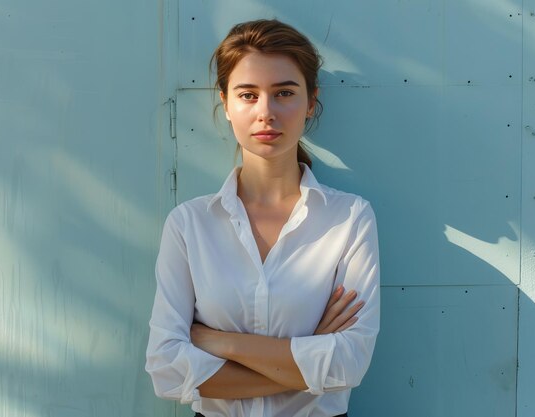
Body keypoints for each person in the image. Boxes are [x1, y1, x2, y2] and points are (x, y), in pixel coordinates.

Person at [146, 19, 380, 417]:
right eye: (248, 94)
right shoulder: (189, 225)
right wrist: (309, 361)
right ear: (226, 102)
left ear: (310, 102)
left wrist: (221, 343)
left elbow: (349, 363)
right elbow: (166, 369)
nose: (266, 112)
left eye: (284, 93)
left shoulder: (349, 218)